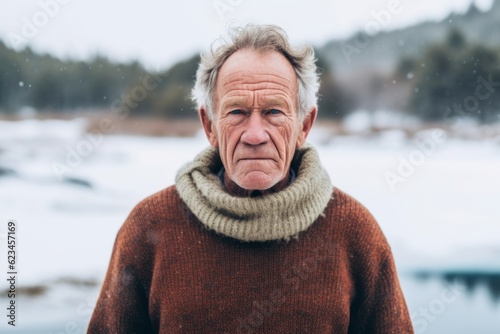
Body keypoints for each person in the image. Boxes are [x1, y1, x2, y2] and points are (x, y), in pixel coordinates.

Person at [87, 24, 414, 333]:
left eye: (273, 112)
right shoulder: (151, 227)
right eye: (237, 112)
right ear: (210, 125)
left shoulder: (354, 231)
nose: (255, 134)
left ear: (304, 125)